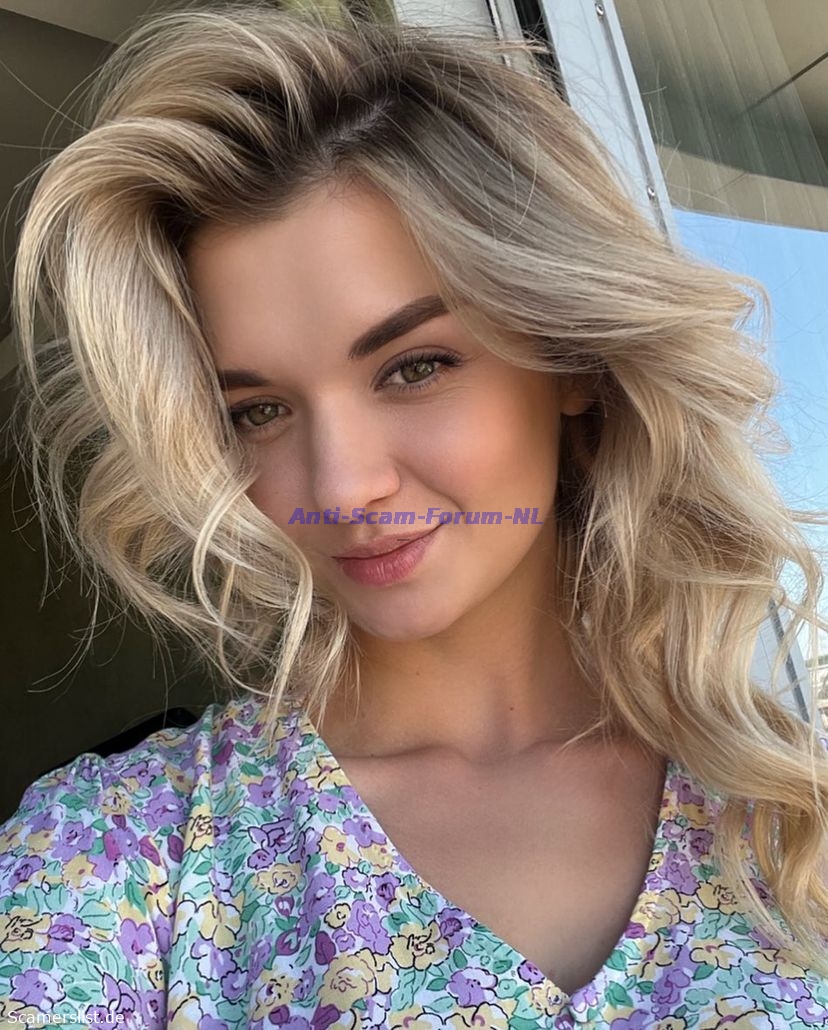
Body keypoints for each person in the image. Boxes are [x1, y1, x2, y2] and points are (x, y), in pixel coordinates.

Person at [1, 3, 827, 1027]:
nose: (343, 485)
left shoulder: (788, 816)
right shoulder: (122, 856)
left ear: (570, 358)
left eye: (414, 367)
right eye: (257, 411)